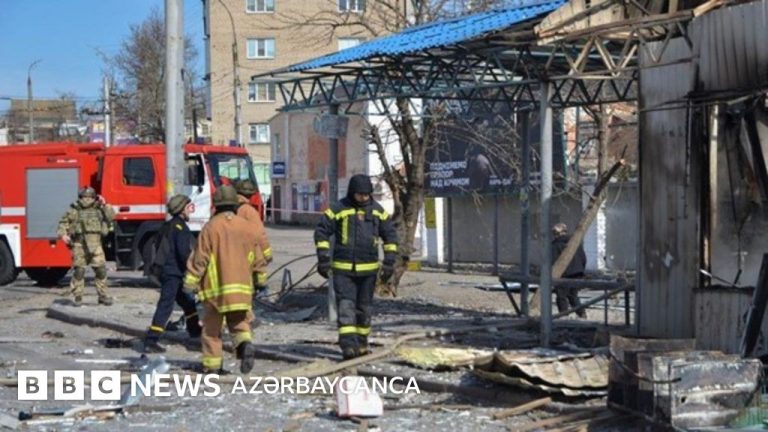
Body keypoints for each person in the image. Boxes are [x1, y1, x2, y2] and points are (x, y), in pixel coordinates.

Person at [314, 175, 398, 360]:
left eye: (367, 194)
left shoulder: (377, 211)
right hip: (343, 270)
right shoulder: (339, 209)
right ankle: (348, 346)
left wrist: (389, 262)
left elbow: (390, 236)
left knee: (364, 308)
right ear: (352, 192)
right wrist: (323, 258)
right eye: (360, 194)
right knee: (346, 307)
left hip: (368, 271)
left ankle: (361, 344)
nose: (364, 198)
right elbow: (321, 232)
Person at [184, 185, 263, 374]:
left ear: (216, 205)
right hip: (242, 290)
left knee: (211, 331)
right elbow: (257, 257)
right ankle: (245, 345)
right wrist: (260, 279)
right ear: (235, 204)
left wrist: (190, 282)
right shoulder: (246, 227)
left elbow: (200, 258)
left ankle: (213, 367)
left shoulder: (211, 228)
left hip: (216, 291)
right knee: (239, 324)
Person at [143, 194, 202, 353]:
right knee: (166, 305)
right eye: (188, 207)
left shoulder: (168, 225)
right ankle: (151, 339)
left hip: (169, 271)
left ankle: (195, 330)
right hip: (173, 273)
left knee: (187, 303)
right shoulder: (180, 228)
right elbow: (184, 253)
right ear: (181, 209)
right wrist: (194, 270)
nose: (190, 210)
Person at [57, 186, 115, 306]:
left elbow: (111, 216)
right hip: (79, 244)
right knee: (79, 271)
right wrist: (63, 235)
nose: (87, 199)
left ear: (94, 197)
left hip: (96, 244)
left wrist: (105, 204)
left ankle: (102, 296)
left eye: (90, 197)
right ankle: (78, 296)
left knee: (101, 270)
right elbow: (63, 222)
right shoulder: (75, 210)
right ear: (80, 197)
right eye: (84, 197)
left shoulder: (100, 208)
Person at [234, 180, 272, 296]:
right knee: (258, 267)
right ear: (250, 195)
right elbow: (259, 234)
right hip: (248, 250)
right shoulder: (249, 211)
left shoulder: (226, 210)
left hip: (231, 251)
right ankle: (261, 293)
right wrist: (267, 254)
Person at [552, 223, 587, 318]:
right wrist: (581, 270)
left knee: (561, 296)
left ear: (556, 233)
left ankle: (564, 315)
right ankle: (582, 314)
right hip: (577, 272)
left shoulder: (555, 245)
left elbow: (553, 260)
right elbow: (583, 258)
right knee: (573, 295)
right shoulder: (575, 243)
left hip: (563, 274)